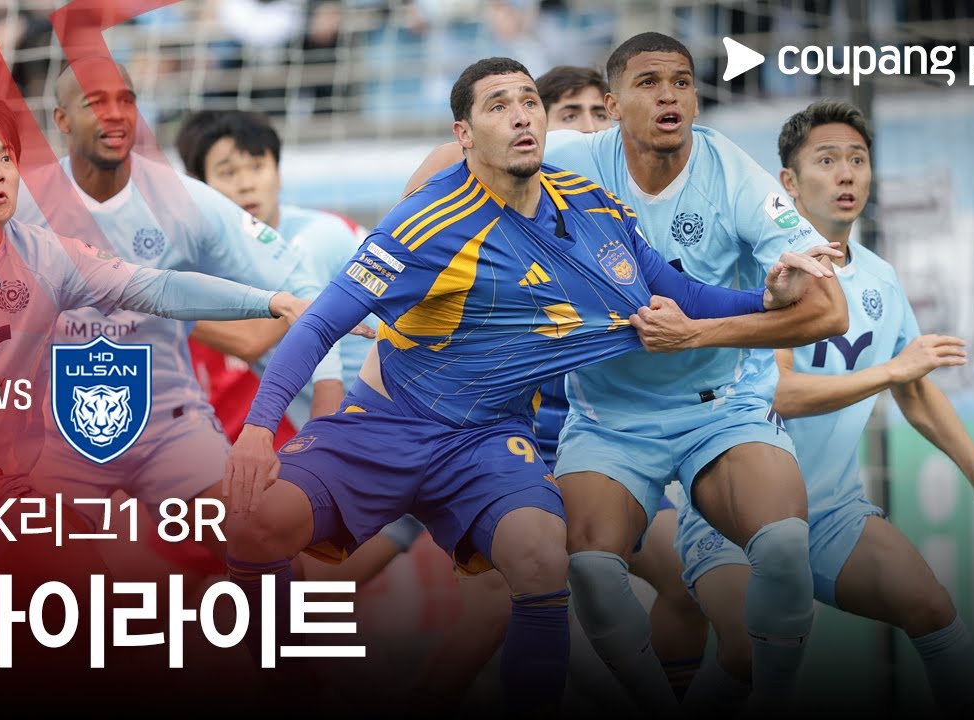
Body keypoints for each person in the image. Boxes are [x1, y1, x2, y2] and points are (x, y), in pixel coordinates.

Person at [218, 56, 836, 715]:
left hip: (488, 437)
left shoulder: (594, 208)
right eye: (498, 106)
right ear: (464, 135)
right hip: (391, 422)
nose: (520, 116)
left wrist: (766, 297)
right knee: (254, 528)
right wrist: (258, 430)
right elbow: (319, 323)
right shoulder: (423, 223)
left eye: (528, 102)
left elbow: (681, 293)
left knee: (541, 559)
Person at [405, 33, 848, 713]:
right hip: (609, 420)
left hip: (722, 409)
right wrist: (410, 240)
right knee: (587, 569)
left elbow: (829, 311)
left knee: (786, 547)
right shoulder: (575, 159)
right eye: (648, 82)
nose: (669, 95)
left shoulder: (734, 176)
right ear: (612, 107)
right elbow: (452, 157)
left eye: (682, 82)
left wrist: (702, 331)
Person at [671, 99, 974, 714]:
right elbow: (779, 393)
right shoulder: (761, 274)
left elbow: (913, 387)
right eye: (827, 160)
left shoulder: (879, 278)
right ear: (788, 182)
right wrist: (889, 371)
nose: (846, 174)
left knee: (932, 609)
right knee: (744, 655)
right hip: (735, 514)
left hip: (831, 514)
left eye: (858, 159)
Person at [0, 96, 307, 523]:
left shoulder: (50, 257)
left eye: (6, 157)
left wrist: (268, 301)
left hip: (7, 488)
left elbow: (159, 288)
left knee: (86, 580)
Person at [12, 58, 357, 543]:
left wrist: (326, 394)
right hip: (53, 431)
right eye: (95, 103)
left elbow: (301, 288)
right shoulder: (20, 204)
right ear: (62, 120)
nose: (115, 114)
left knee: (259, 540)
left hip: (170, 425)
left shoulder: (185, 200)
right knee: (37, 562)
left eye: (127, 100)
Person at [179, 108, 424, 584]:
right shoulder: (225, 256)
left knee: (286, 586)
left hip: (397, 432)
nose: (246, 183)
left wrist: (147, 299)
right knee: (282, 585)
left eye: (257, 166)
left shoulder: (309, 241)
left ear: (278, 171)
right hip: (364, 439)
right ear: (203, 189)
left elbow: (251, 341)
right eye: (227, 172)